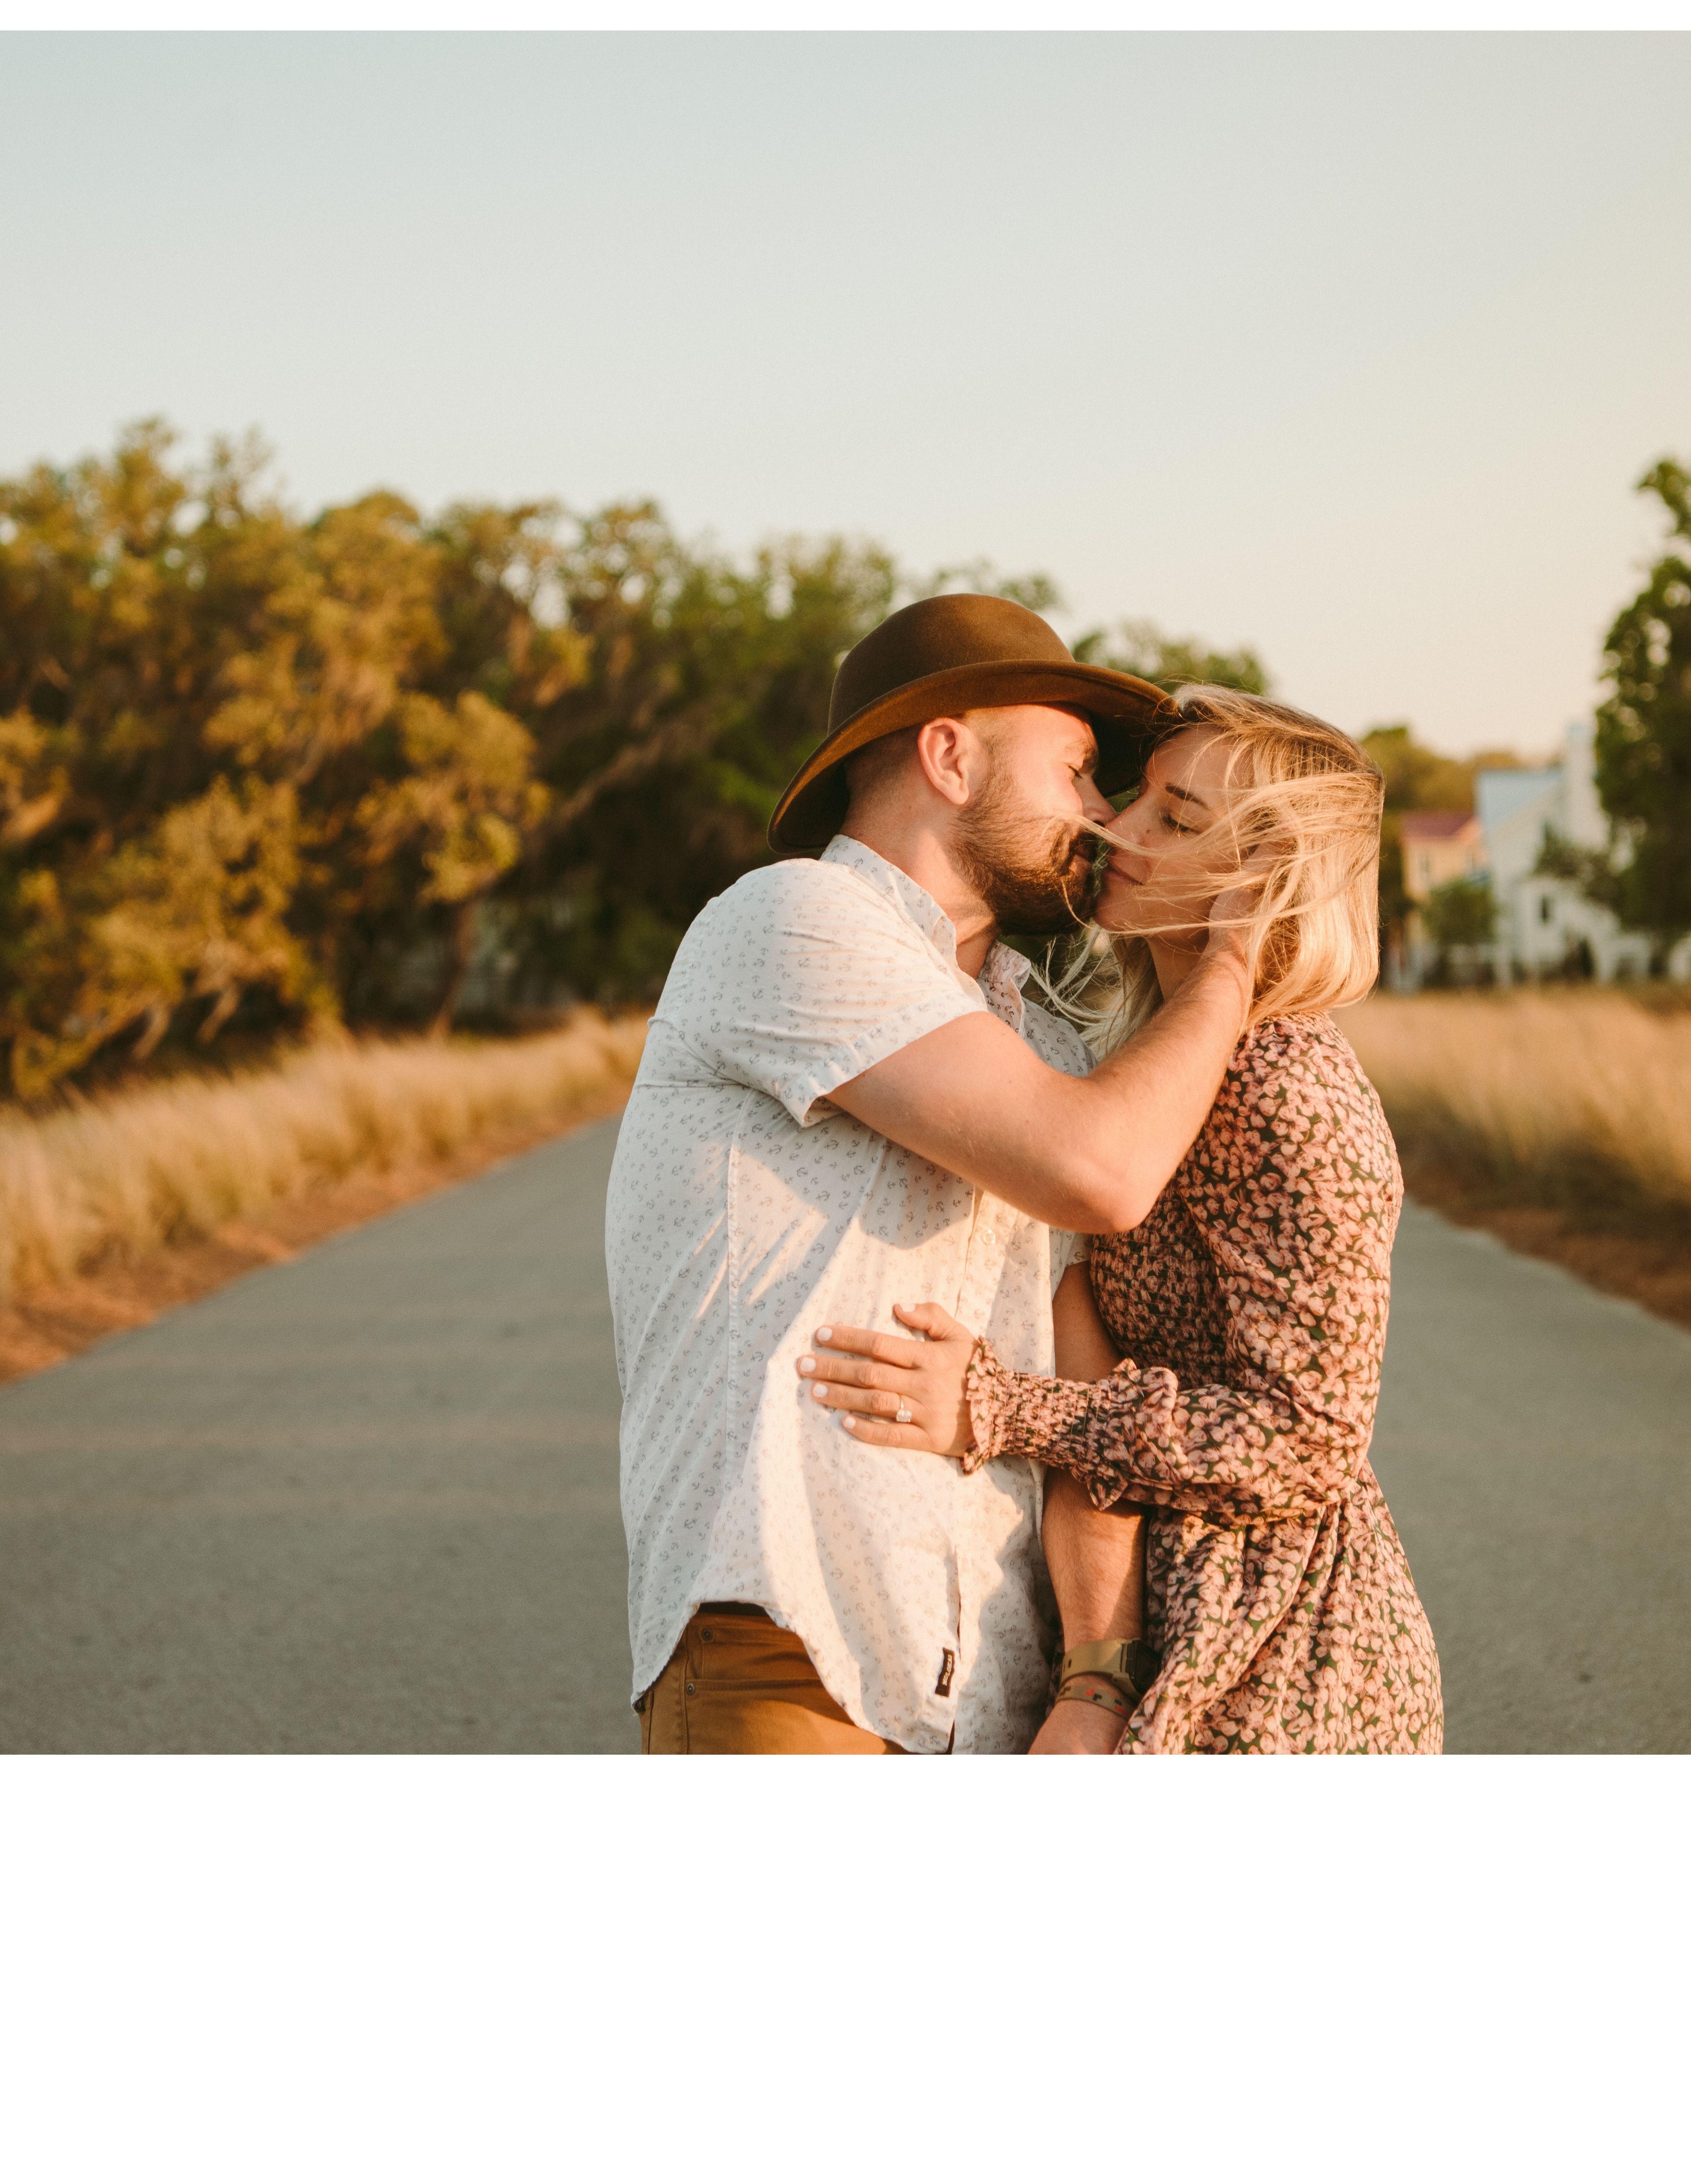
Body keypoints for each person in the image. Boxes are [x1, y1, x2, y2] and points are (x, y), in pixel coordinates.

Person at [607, 593, 1260, 1754]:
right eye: (1075, 770)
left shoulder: (1050, 1048)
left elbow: (1083, 1399)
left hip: (995, 1697)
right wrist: (1234, 958)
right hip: (795, 1660)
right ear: (950, 757)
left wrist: (1097, 1679)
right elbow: (1098, 1171)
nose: (1104, 815)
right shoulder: (789, 918)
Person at [793, 684, 1445, 1754]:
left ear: (1259, 880)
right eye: (1136, 796)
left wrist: (1004, 1408)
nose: (1116, 826)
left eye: (1177, 820)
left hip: (1279, 1660)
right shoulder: (1146, 1071)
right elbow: (1090, 1311)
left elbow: (1308, 1437)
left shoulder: (1288, 1086)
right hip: (1154, 1627)